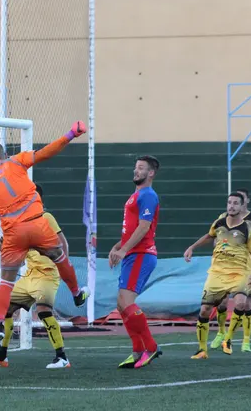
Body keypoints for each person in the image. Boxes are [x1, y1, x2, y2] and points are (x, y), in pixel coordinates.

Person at [0, 121, 90, 349]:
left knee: (6, 281)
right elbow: (47, 152)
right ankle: (77, 293)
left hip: (13, 232)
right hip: (37, 223)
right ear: (5, 154)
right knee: (60, 256)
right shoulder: (16, 160)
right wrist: (70, 134)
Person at [0, 184, 71, 369]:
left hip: (47, 275)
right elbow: (9, 243)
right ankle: (1, 357)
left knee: (44, 312)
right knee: (5, 310)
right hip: (29, 276)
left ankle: (62, 358)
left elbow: (63, 243)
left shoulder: (46, 217)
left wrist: (64, 267)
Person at [185, 187, 251, 353]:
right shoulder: (221, 220)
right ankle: (220, 333)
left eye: (238, 201)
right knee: (220, 304)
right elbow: (214, 236)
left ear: (245, 203)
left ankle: (241, 340)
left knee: (244, 303)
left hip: (243, 268)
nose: (232, 205)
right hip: (219, 270)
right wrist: (194, 247)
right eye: (230, 202)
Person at [109, 155, 163, 369]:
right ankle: (137, 350)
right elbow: (131, 228)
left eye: (141, 168)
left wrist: (124, 250)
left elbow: (143, 228)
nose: (136, 171)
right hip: (133, 253)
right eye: (135, 167)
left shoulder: (149, 195)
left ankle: (150, 347)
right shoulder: (137, 195)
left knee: (127, 302)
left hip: (141, 254)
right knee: (121, 304)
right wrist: (117, 247)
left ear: (151, 173)